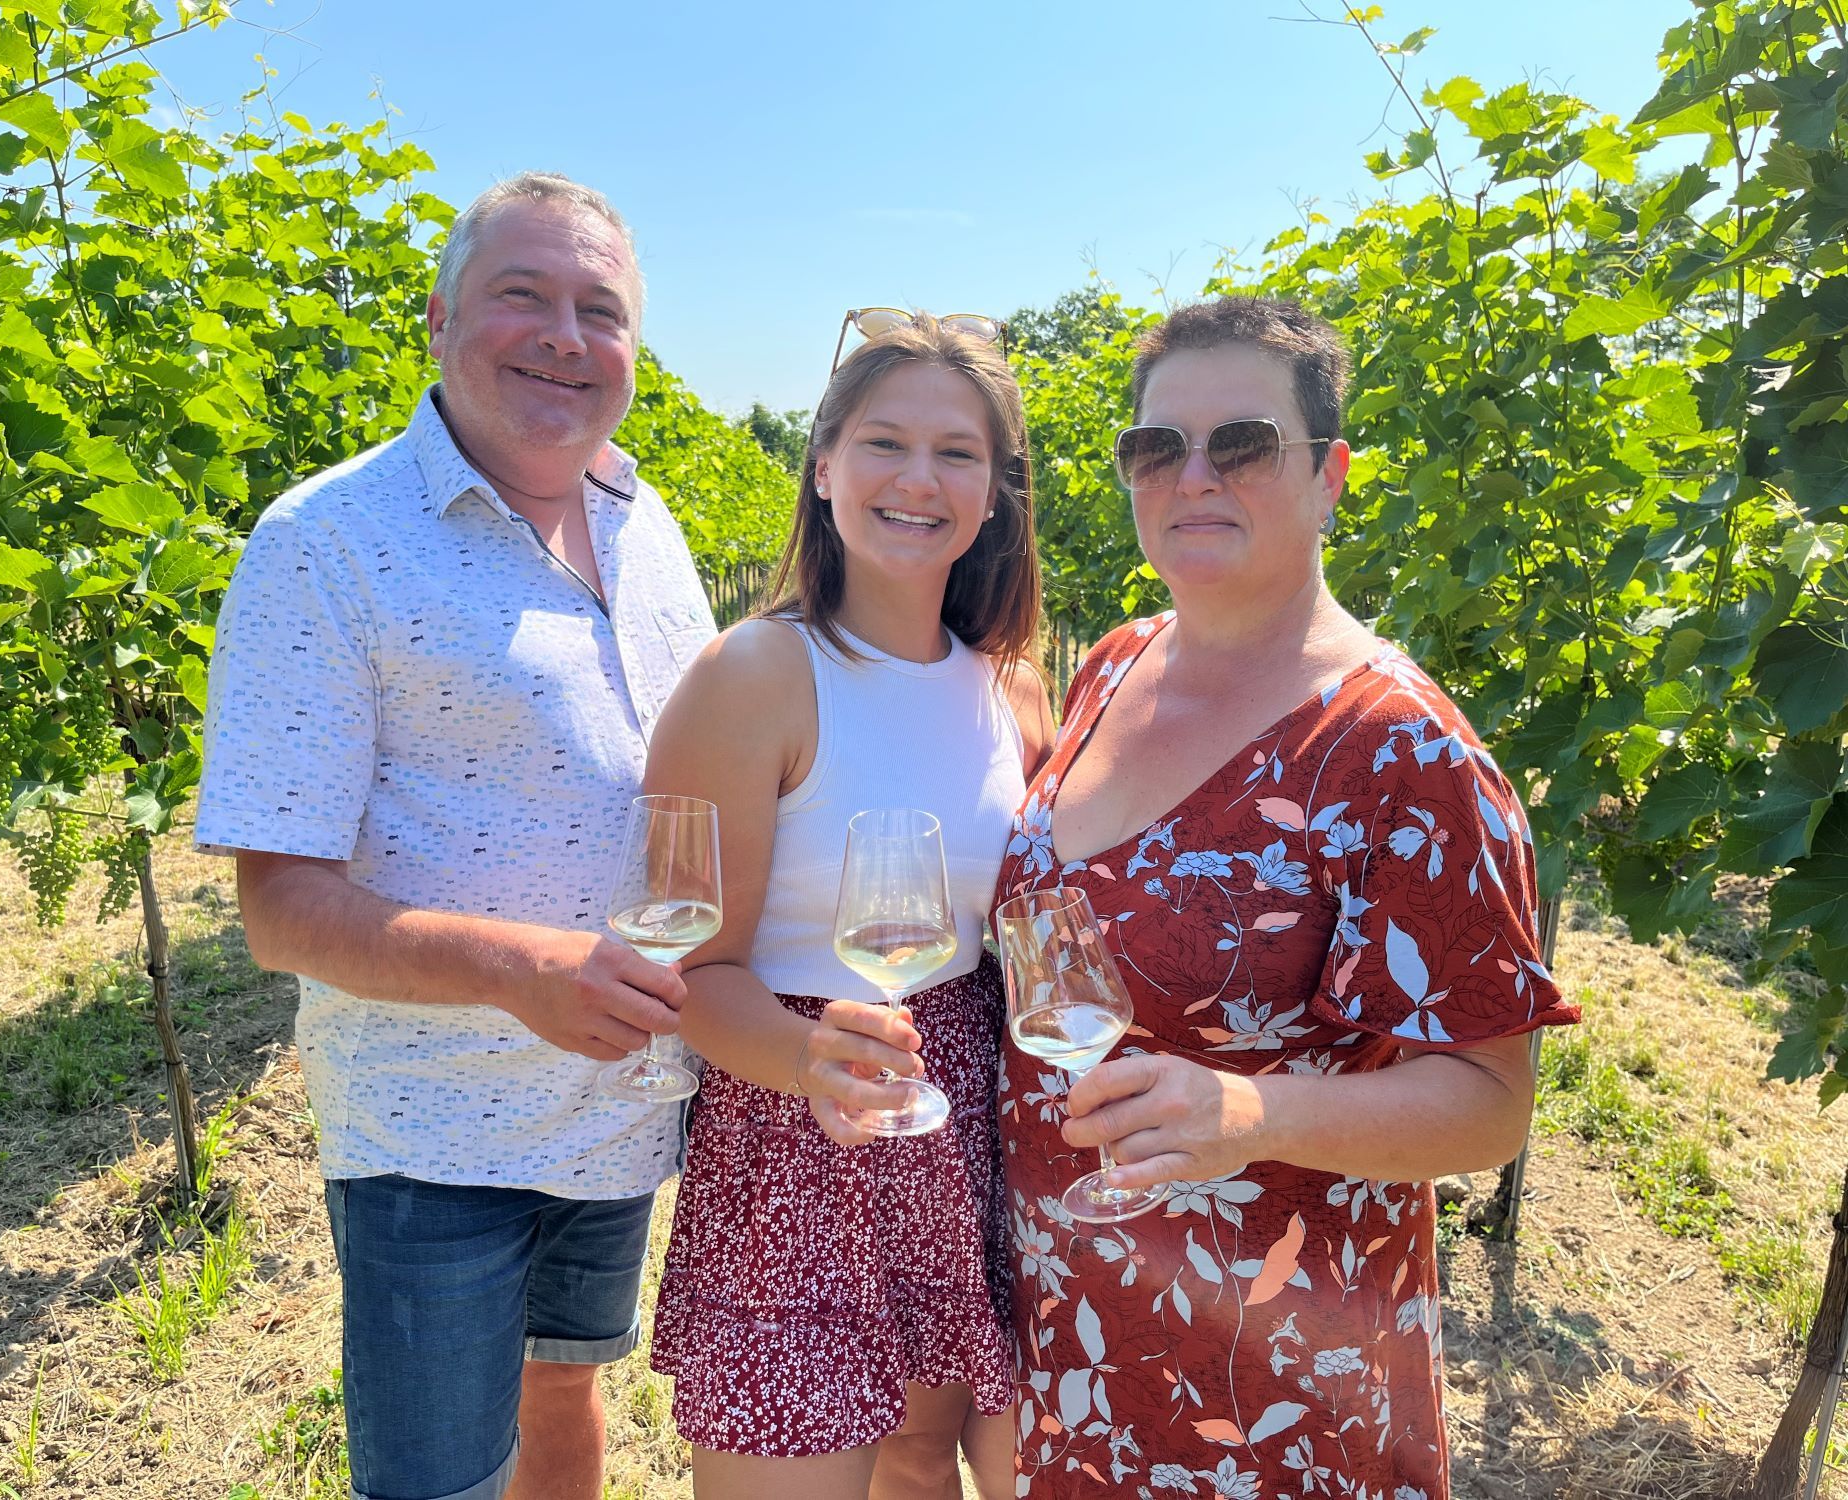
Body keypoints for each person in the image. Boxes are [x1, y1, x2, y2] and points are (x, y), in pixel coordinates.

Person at [993, 296, 1580, 1498]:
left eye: (1242, 444)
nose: (1191, 475)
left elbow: (1485, 1105)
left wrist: (1245, 1112)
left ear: (1330, 476)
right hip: (1073, 1333)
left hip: (1270, 1389)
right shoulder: (1114, 663)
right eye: (1156, 447)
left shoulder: (1398, 752)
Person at [195, 173, 718, 1500]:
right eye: (522, 296)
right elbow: (281, 908)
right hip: (438, 1132)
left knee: (565, 1395)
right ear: (439, 319)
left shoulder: (648, 529)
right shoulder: (325, 544)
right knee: (438, 1480)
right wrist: (518, 968)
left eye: (599, 310)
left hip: (618, 1104)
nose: (565, 334)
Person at [641, 312, 1055, 1499]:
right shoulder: (753, 676)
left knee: (923, 1463)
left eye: (956, 453)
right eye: (882, 442)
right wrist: (810, 1061)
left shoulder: (1013, 690)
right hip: (790, 1147)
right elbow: (693, 970)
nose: (916, 480)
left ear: (993, 492)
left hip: (960, 1120)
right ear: (822, 469)